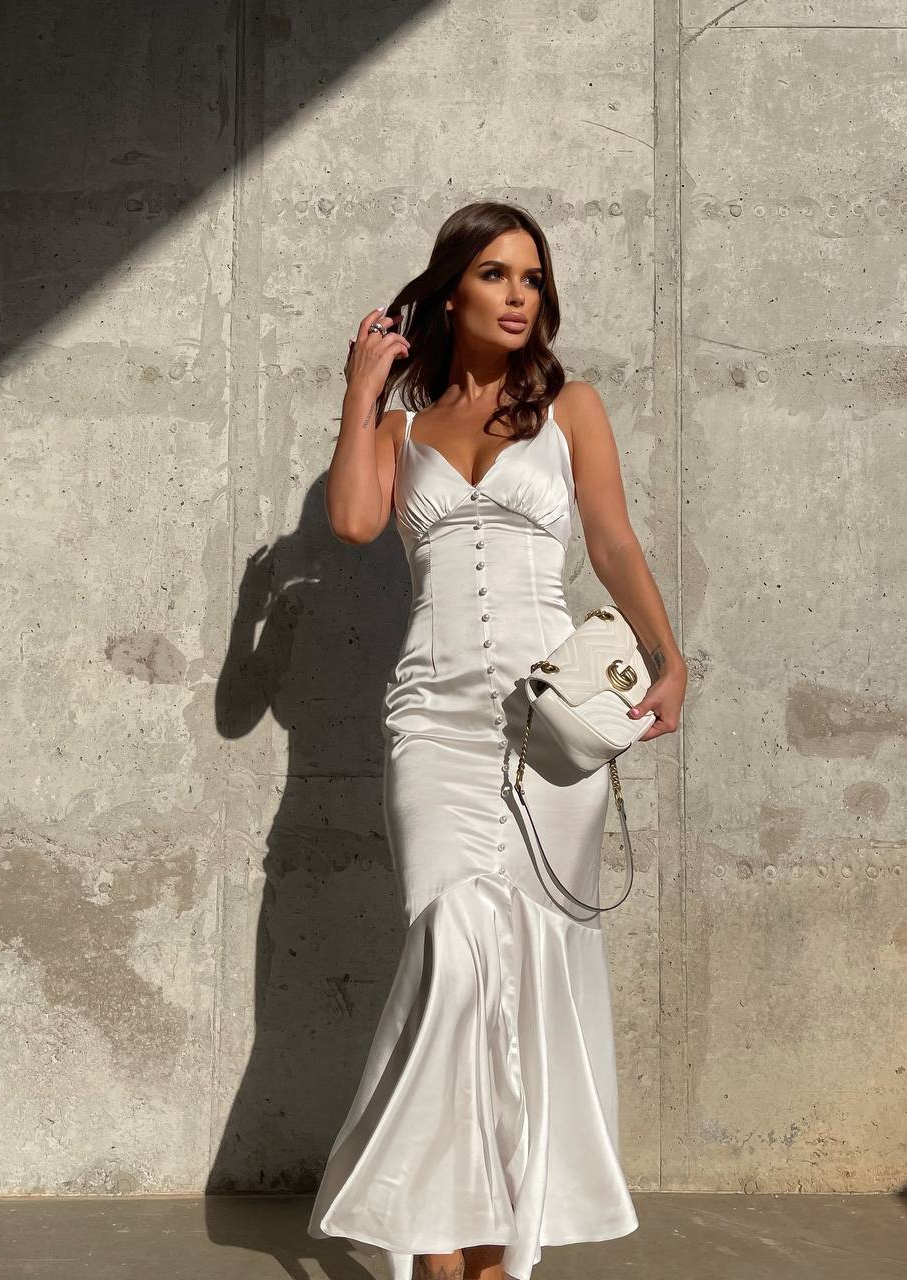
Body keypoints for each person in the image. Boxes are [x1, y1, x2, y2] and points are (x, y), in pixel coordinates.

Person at [308, 201, 687, 1280]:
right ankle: (432, 1237)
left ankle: (494, 1247)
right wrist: (360, 389)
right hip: (432, 716)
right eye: (494, 274)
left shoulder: (573, 408)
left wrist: (671, 656)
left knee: (529, 966)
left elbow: (609, 537)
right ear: (452, 291)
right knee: (454, 951)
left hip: (549, 727)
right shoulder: (403, 427)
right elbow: (350, 522)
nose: (519, 293)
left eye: (531, 276)